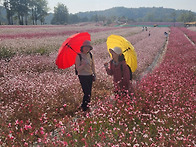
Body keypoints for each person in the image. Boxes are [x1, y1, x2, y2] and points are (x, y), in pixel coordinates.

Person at [75, 40, 96, 112]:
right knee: (86, 92)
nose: (87, 48)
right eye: (85, 47)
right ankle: (84, 107)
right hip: (82, 76)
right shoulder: (78, 56)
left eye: (88, 47)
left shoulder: (90, 55)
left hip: (89, 75)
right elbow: (78, 69)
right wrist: (83, 64)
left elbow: (93, 65)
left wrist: (94, 74)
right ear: (82, 47)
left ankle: (87, 105)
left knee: (89, 92)